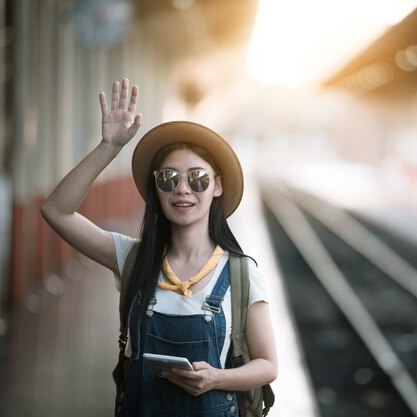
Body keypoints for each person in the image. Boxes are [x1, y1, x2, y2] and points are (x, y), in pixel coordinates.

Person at [41, 78, 278, 416]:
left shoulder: (240, 272)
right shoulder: (132, 257)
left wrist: (217, 379)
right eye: (169, 178)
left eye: (198, 179)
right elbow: (56, 211)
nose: (183, 189)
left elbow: (268, 365)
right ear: (157, 188)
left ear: (218, 187)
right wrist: (108, 147)